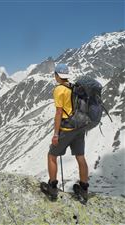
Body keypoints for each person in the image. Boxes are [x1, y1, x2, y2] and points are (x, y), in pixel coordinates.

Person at [44, 64, 89, 201]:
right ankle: (83, 189)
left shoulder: (59, 90)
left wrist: (56, 134)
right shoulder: (74, 87)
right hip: (80, 126)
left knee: (52, 155)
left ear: (57, 75)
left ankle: (52, 187)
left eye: (55, 75)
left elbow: (59, 112)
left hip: (67, 128)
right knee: (80, 157)